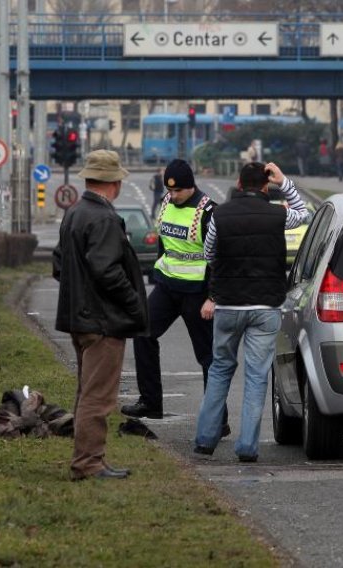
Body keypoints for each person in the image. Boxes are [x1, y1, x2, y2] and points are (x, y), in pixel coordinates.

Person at [194, 162, 310, 462]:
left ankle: (205, 440)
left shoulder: (220, 214)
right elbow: (305, 214)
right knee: (257, 376)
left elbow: (208, 253)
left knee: (220, 369)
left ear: (238, 183)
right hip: (265, 306)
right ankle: (247, 446)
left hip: (228, 305)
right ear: (265, 186)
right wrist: (285, 183)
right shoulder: (277, 214)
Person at [53, 149, 149, 481]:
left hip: (79, 319)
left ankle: (89, 459)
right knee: (99, 397)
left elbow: (58, 264)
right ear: (115, 182)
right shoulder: (105, 219)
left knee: (87, 391)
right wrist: (134, 303)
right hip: (103, 322)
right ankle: (88, 464)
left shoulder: (74, 213)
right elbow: (107, 271)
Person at [121, 159, 229, 436]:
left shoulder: (208, 211)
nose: (174, 195)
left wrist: (213, 297)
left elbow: (220, 259)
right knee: (143, 333)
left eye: (179, 190)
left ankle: (218, 418)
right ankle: (150, 402)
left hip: (198, 292)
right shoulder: (167, 203)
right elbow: (164, 243)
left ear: (190, 186)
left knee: (207, 357)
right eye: (170, 190)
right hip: (168, 287)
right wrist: (155, 274)